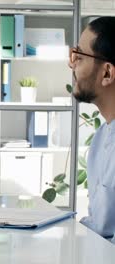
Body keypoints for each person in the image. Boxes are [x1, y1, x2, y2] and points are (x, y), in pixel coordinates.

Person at [68, 16, 115, 243]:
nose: (72, 64)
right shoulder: (101, 137)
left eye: (79, 56)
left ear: (107, 73)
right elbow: (99, 224)